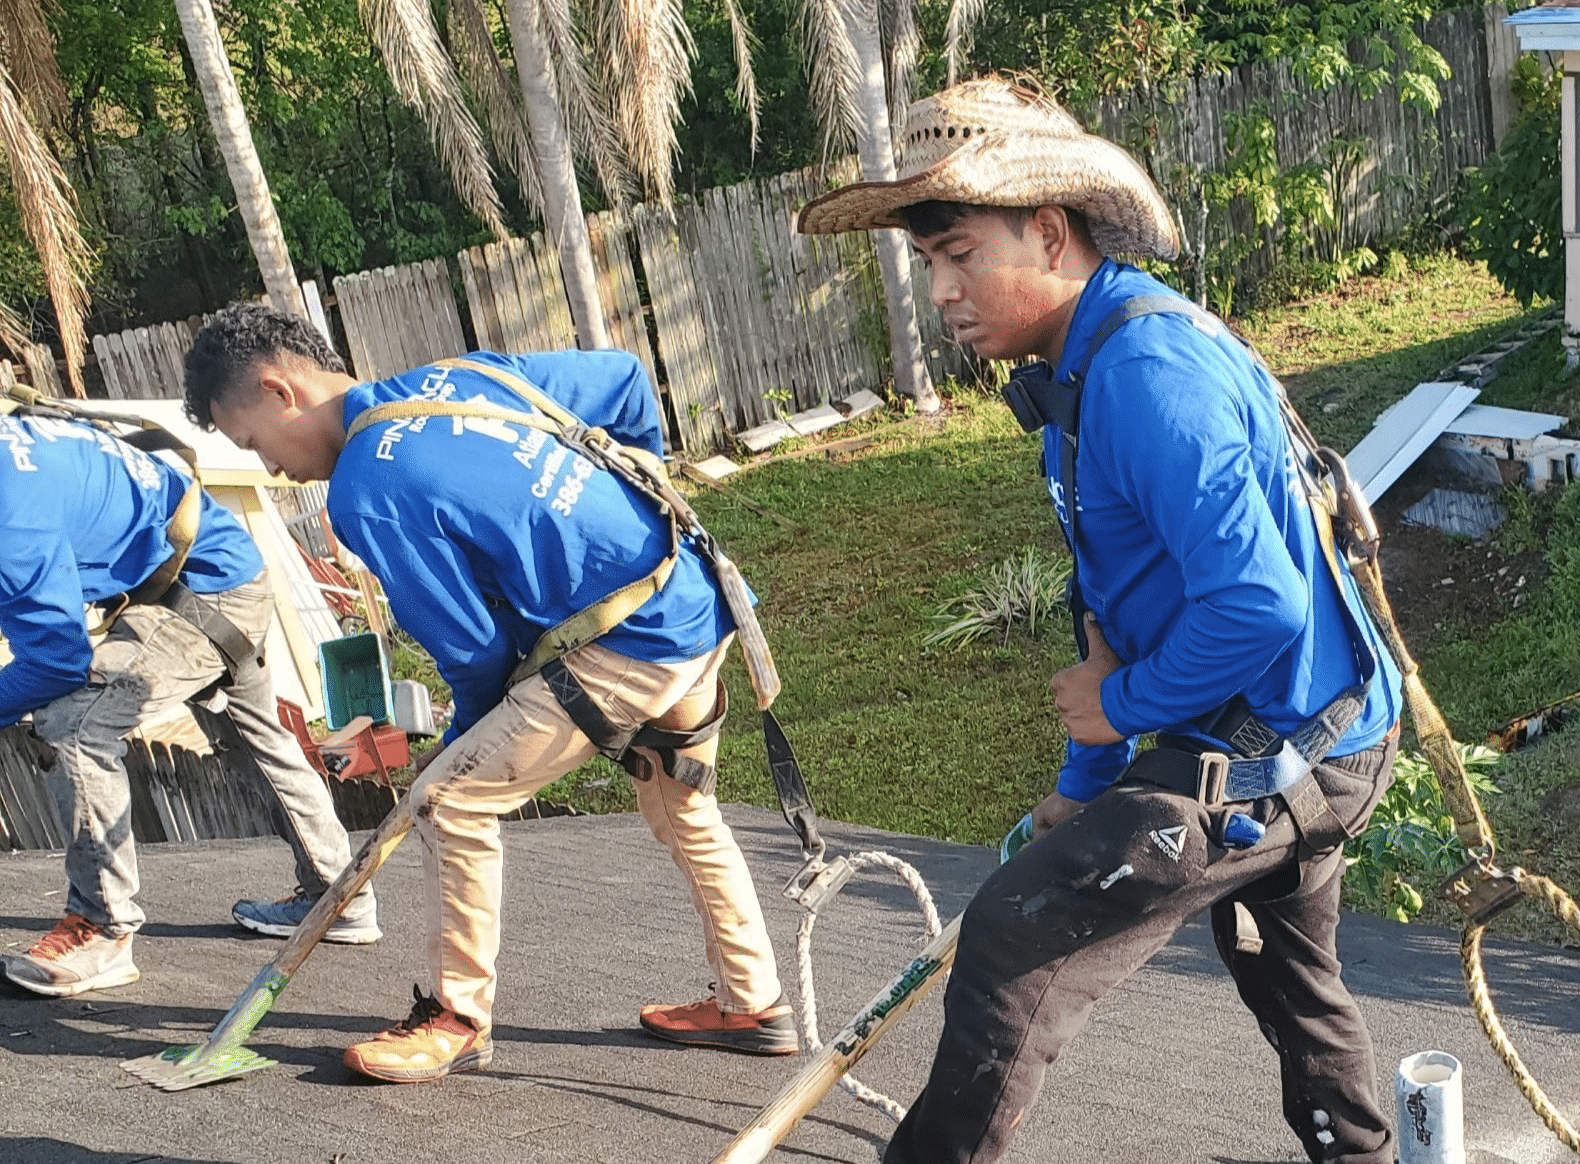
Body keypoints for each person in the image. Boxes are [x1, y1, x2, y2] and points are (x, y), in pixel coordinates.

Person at [796, 79, 1406, 1164]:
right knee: (1293, 986)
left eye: (957, 254)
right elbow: (1116, 616)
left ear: (1047, 229)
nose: (940, 291)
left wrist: (1118, 707)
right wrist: (1081, 789)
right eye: (929, 264)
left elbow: (1256, 605)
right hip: (1294, 731)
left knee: (1012, 944)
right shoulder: (1076, 380)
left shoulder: (1148, 374)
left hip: (1282, 747)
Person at [182, 306, 797, 1083]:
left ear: (278, 390)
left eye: (251, 444)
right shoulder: (465, 376)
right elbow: (626, 382)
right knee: (681, 802)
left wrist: (458, 750)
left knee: (450, 799)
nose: (267, 468)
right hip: (692, 597)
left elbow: (474, 652)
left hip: (627, 644)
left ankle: (454, 1017)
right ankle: (751, 1001)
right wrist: (641, 507)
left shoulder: (367, 486)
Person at [0, 397, 379, 998]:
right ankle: (341, 898)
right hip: (222, 567)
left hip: (200, 593)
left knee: (73, 724)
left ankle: (103, 931)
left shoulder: (9, 518)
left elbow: (56, 657)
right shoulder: (12, 443)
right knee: (263, 740)